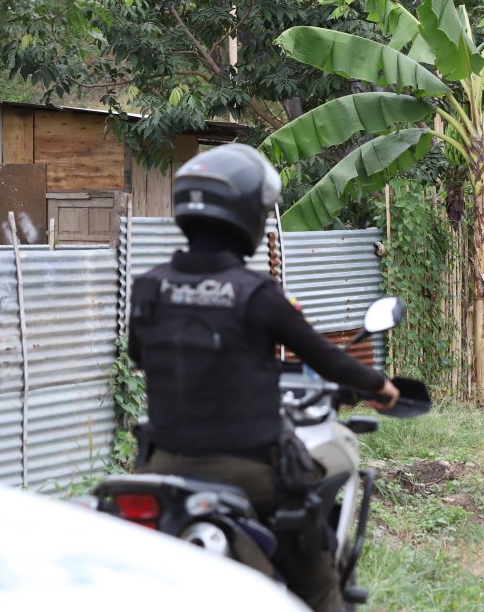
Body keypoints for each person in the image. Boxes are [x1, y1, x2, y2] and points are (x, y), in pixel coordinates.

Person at [126, 143, 399, 612]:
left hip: (162, 465)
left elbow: (139, 354)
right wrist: (379, 386)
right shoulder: (257, 293)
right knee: (318, 577)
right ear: (248, 217)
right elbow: (325, 358)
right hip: (250, 468)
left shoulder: (149, 286)